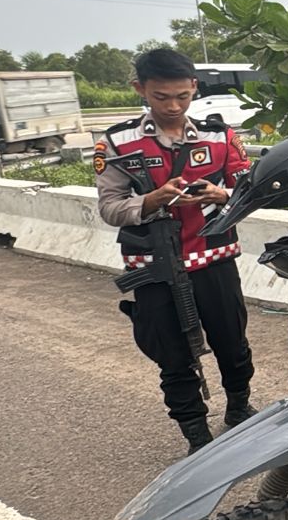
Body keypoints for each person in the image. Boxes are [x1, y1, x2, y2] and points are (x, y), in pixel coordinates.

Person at [94, 48, 256, 454]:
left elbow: (250, 191)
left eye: (182, 96)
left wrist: (222, 194)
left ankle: (239, 408)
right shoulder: (116, 142)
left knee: (232, 343)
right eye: (161, 96)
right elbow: (110, 207)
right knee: (173, 356)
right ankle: (196, 437)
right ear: (140, 90)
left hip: (213, 256)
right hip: (152, 264)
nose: (173, 106)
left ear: (195, 89)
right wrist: (153, 201)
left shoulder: (221, 137)